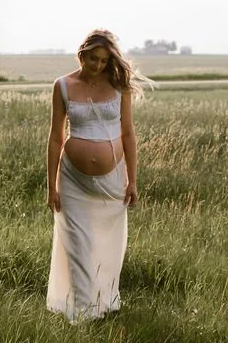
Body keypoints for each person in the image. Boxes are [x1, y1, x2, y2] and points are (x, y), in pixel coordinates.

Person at [45, 29, 152, 323]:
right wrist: (51, 186)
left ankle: (103, 302)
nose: (98, 66)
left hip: (112, 180)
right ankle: (83, 314)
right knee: (78, 244)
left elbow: (128, 134)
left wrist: (133, 180)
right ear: (82, 54)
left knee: (106, 245)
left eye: (104, 61)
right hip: (72, 180)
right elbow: (56, 137)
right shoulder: (63, 86)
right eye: (94, 59)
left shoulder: (120, 87)